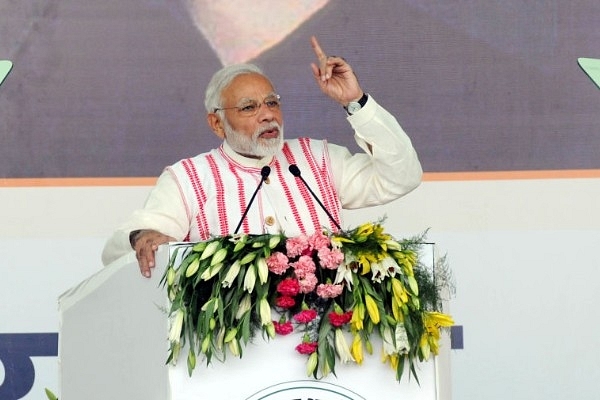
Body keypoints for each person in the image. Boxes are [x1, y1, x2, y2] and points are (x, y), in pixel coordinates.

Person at [102, 36, 423, 277]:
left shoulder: (317, 157)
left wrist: (356, 103)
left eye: (272, 103)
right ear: (217, 123)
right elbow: (119, 248)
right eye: (249, 107)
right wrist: (142, 237)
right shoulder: (189, 179)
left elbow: (401, 177)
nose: (267, 115)